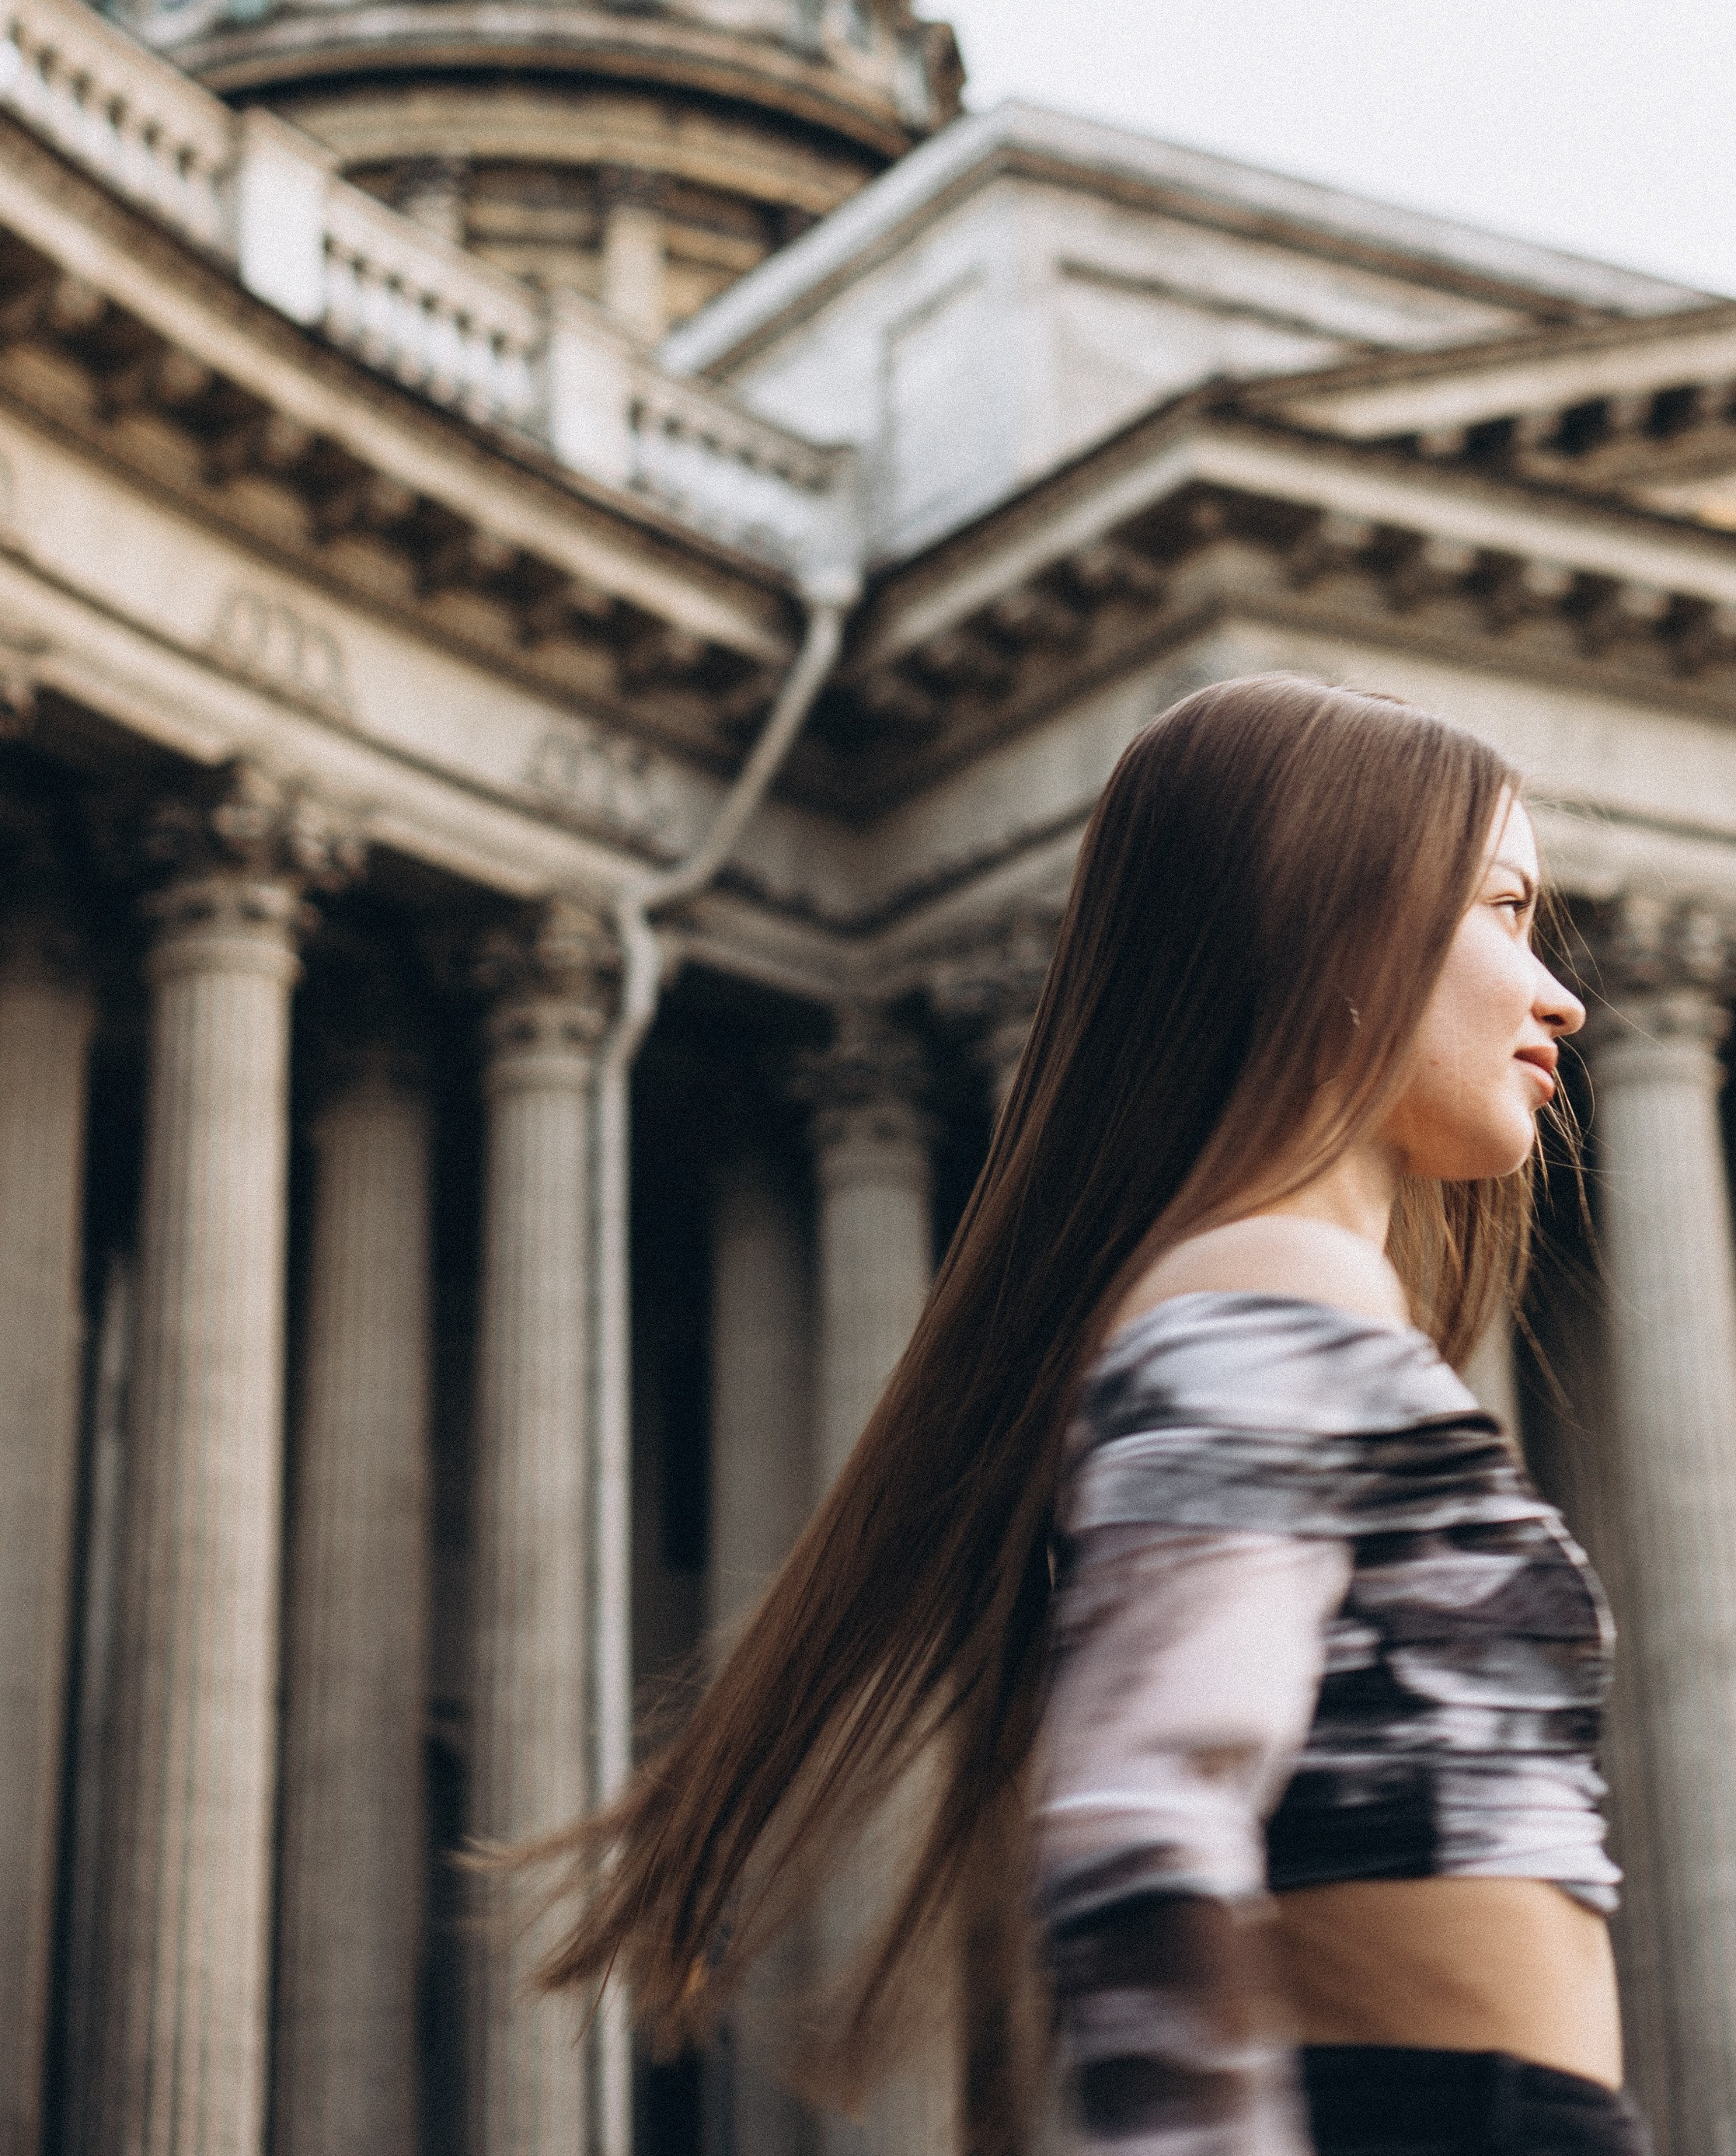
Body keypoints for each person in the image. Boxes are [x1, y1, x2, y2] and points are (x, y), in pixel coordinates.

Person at [525, 674, 1646, 2154]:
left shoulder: (1285, 1292)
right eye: (1501, 910)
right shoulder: (1272, 1284)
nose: (1557, 988)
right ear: (1333, 921)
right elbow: (1145, 1820)